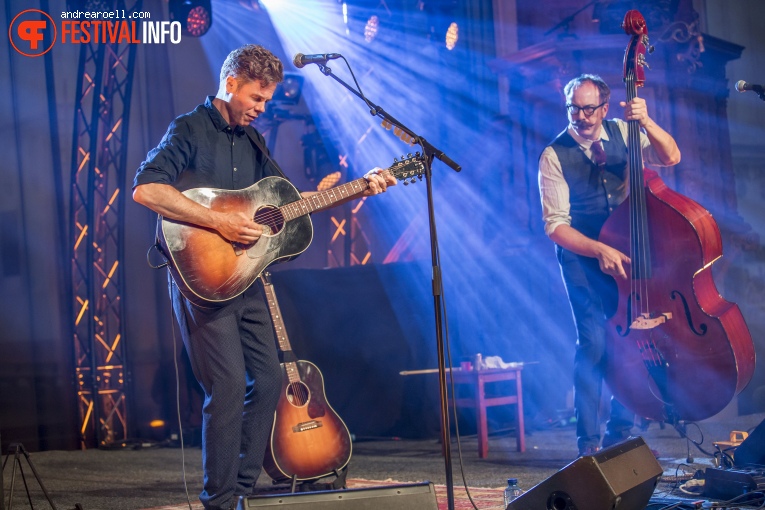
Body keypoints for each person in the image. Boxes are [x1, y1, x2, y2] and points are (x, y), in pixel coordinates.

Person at [132, 44, 396, 510]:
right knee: (230, 384)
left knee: (270, 381)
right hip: (203, 281)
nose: (262, 108)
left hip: (248, 276)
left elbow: (279, 208)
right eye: (256, 97)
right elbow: (147, 189)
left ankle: (245, 489)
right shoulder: (189, 128)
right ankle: (218, 499)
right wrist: (218, 222)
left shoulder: (254, 141)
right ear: (231, 83)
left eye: (267, 100)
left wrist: (350, 190)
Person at [538, 74, 681, 456]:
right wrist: (598, 249)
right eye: (574, 109)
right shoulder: (554, 154)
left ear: (604, 108)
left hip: (625, 248)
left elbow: (671, 157)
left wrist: (646, 121)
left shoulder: (622, 131)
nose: (581, 117)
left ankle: (621, 432)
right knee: (595, 344)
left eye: (589, 109)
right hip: (582, 257)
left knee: (628, 341)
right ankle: (588, 444)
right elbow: (555, 226)